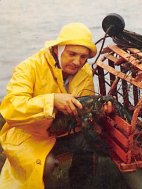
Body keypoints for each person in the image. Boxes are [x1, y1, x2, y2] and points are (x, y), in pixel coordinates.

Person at [0, 22, 111, 189]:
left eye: (83, 57)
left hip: (62, 131)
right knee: (48, 164)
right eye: (72, 54)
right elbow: (11, 109)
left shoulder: (85, 71)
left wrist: (100, 110)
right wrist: (51, 100)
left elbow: (85, 107)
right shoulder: (29, 67)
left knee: (90, 145)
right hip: (29, 135)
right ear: (57, 49)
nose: (77, 62)